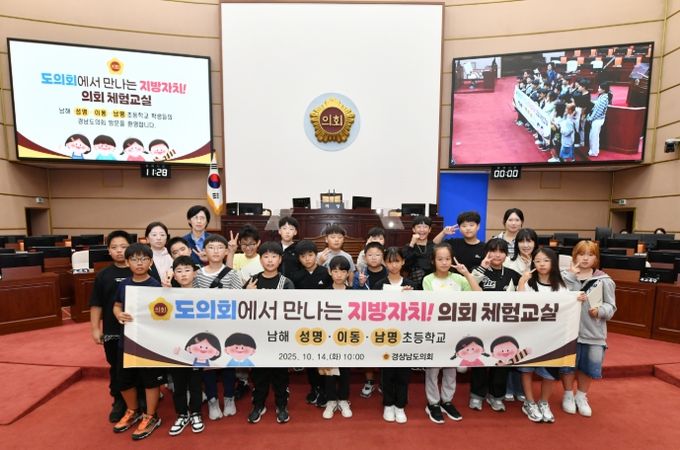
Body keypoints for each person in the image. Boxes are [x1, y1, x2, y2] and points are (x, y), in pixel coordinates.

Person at [422, 243, 480, 424]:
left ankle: (446, 401)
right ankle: (433, 403)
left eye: (447, 258)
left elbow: (478, 295)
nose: (444, 262)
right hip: (436, 331)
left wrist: (467, 274)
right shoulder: (428, 280)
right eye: (440, 259)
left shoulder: (459, 279)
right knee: (433, 369)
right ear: (433, 261)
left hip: (456, 332)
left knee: (451, 369)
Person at [111, 243, 164, 441]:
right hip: (127, 341)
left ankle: (151, 416)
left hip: (148, 343)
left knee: (150, 380)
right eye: (134, 259)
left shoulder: (155, 285)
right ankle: (132, 411)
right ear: (127, 262)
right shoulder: (124, 284)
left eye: (144, 259)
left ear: (151, 262)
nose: (139, 263)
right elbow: (117, 305)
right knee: (124, 380)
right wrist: (119, 314)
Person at [560, 241, 617, 417]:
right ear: (574, 256)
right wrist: (571, 277)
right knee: (567, 366)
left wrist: (600, 311)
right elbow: (558, 299)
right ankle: (568, 395)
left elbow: (611, 306)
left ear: (596, 258)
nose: (585, 258)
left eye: (590, 255)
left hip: (593, 333)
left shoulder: (604, 280)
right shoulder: (564, 277)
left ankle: (581, 396)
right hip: (568, 332)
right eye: (581, 254)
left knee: (588, 367)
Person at [516, 247, 569, 423]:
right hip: (529, 334)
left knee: (549, 371)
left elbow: (566, 308)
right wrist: (521, 283)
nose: (542, 264)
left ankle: (544, 402)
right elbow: (518, 305)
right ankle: (529, 402)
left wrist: (578, 300)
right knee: (527, 369)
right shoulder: (529, 283)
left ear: (553, 263)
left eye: (546, 260)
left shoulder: (561, 286)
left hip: (552, 337)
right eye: (538, 261)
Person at [245, 242, 295, 424]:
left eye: (274, 256)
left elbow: (293, 311)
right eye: (266, 256)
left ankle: (282, 405)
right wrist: (246, 294)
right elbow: (242, 310)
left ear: (280, 259)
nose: (270, 260)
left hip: (279, 337)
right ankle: (258, 405)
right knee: (259, 375)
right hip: (257, 337)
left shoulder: (286, 283)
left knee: (280, 375)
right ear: (260, 260)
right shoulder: (252, 281)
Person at [193, 234, 241, 421]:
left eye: (220, 247)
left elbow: (238, 299)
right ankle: (212, 400)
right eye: (211, 247)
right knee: (207, 365)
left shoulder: (233, 274)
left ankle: (229, 398)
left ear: (226, 251)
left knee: (228, 363)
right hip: (204, 328)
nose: (215, 251)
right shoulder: (197, 274)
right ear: (204, 251)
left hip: (227, 326)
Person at [469, 239, 521, 413]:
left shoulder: (513, 275)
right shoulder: (478, 271)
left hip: (505, 327)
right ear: (487, 253)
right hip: (481, 325)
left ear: (506, 254)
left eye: (501, 251)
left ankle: (496, 396)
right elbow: (469, 289)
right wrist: (481, 269)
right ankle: (477, 395)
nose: (497, 255)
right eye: (493, 251)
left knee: (502, 361)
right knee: (480, 360)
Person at [89, 230, 132, 423]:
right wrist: (95, 328)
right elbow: (96, 304)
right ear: (108, 250)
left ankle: (139, 398)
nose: (119, 251)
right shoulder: (103, 275)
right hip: (112, 330)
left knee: (137, 366)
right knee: (115, 367)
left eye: (123, 247)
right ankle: (119, 400)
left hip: (137, 330)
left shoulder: (139, 270)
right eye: (114, 247)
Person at [372, 247, 417, 423]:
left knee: (403, 374)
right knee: (388, 373)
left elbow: (419, 311)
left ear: (403, 262)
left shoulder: (411, 285)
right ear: (385, 263)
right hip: (385, 336)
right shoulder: (379, 285)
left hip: (405, 336)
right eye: (390, 261)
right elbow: (372, 311)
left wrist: (410, 297)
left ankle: (400, 405)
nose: (394, 265)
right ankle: (388, 404)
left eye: (397, 261)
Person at [168, 256, 208, 435]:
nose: (183, 274)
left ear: (195, 273)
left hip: (197, 350)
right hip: (176, 349)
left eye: (187, 270)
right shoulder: (167, 295)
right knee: (178, 385)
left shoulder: (204, 295)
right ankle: (182, 414)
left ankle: (196, 413)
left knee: (195, 384)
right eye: (179, 271)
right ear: (174, 275)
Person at [290, 239, 331, 408]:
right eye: (303, 256)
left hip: (324, 323)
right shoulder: (295, 276)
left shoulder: (326, 273)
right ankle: (314, 388)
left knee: (323, 357)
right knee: (310, 358)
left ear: (316, 255)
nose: (307, 259)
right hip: (304, 323)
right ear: (298, 258)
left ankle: (325, 390)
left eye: (310, 255)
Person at [502, 228, 538, 402]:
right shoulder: (509, 261)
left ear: (535, 243)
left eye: (529, 241)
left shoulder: (540, 260)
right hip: (513, 312)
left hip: (533, 314)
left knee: (526, 351)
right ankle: (509, 387)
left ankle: (521, 388)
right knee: (511, 349)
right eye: (522, 241)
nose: (525, 245)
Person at [321, 255, 354, 420]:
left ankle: (343, 399)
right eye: (335, 271)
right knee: (329, 371)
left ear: (348, 273)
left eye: (342, 271)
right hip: (327, 339)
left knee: (345, 371)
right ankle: (331, 400)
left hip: (347, 339)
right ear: (329, 272)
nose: (339, 274)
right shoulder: (323, 293)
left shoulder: (354, 293)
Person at [403, 215, 435, 289]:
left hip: (431, 283)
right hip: (413, 284)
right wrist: (412, 244)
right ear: (413, 229)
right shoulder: (409, 246)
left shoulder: (433, 246)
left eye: (425, 227)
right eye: (419, 227)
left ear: (430, 230)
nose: (422, 230)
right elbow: (405, 263)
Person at [586, 82, 611, 157]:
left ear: (604, 89)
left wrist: (590, 118)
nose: (598, 89)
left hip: (597, 120)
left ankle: (594, 152)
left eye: (600, 88)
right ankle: (594, 150)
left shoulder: (604, 98)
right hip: (597, 119)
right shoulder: (602, 96)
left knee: (594, 136)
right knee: (593, 136)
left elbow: (598, 112)